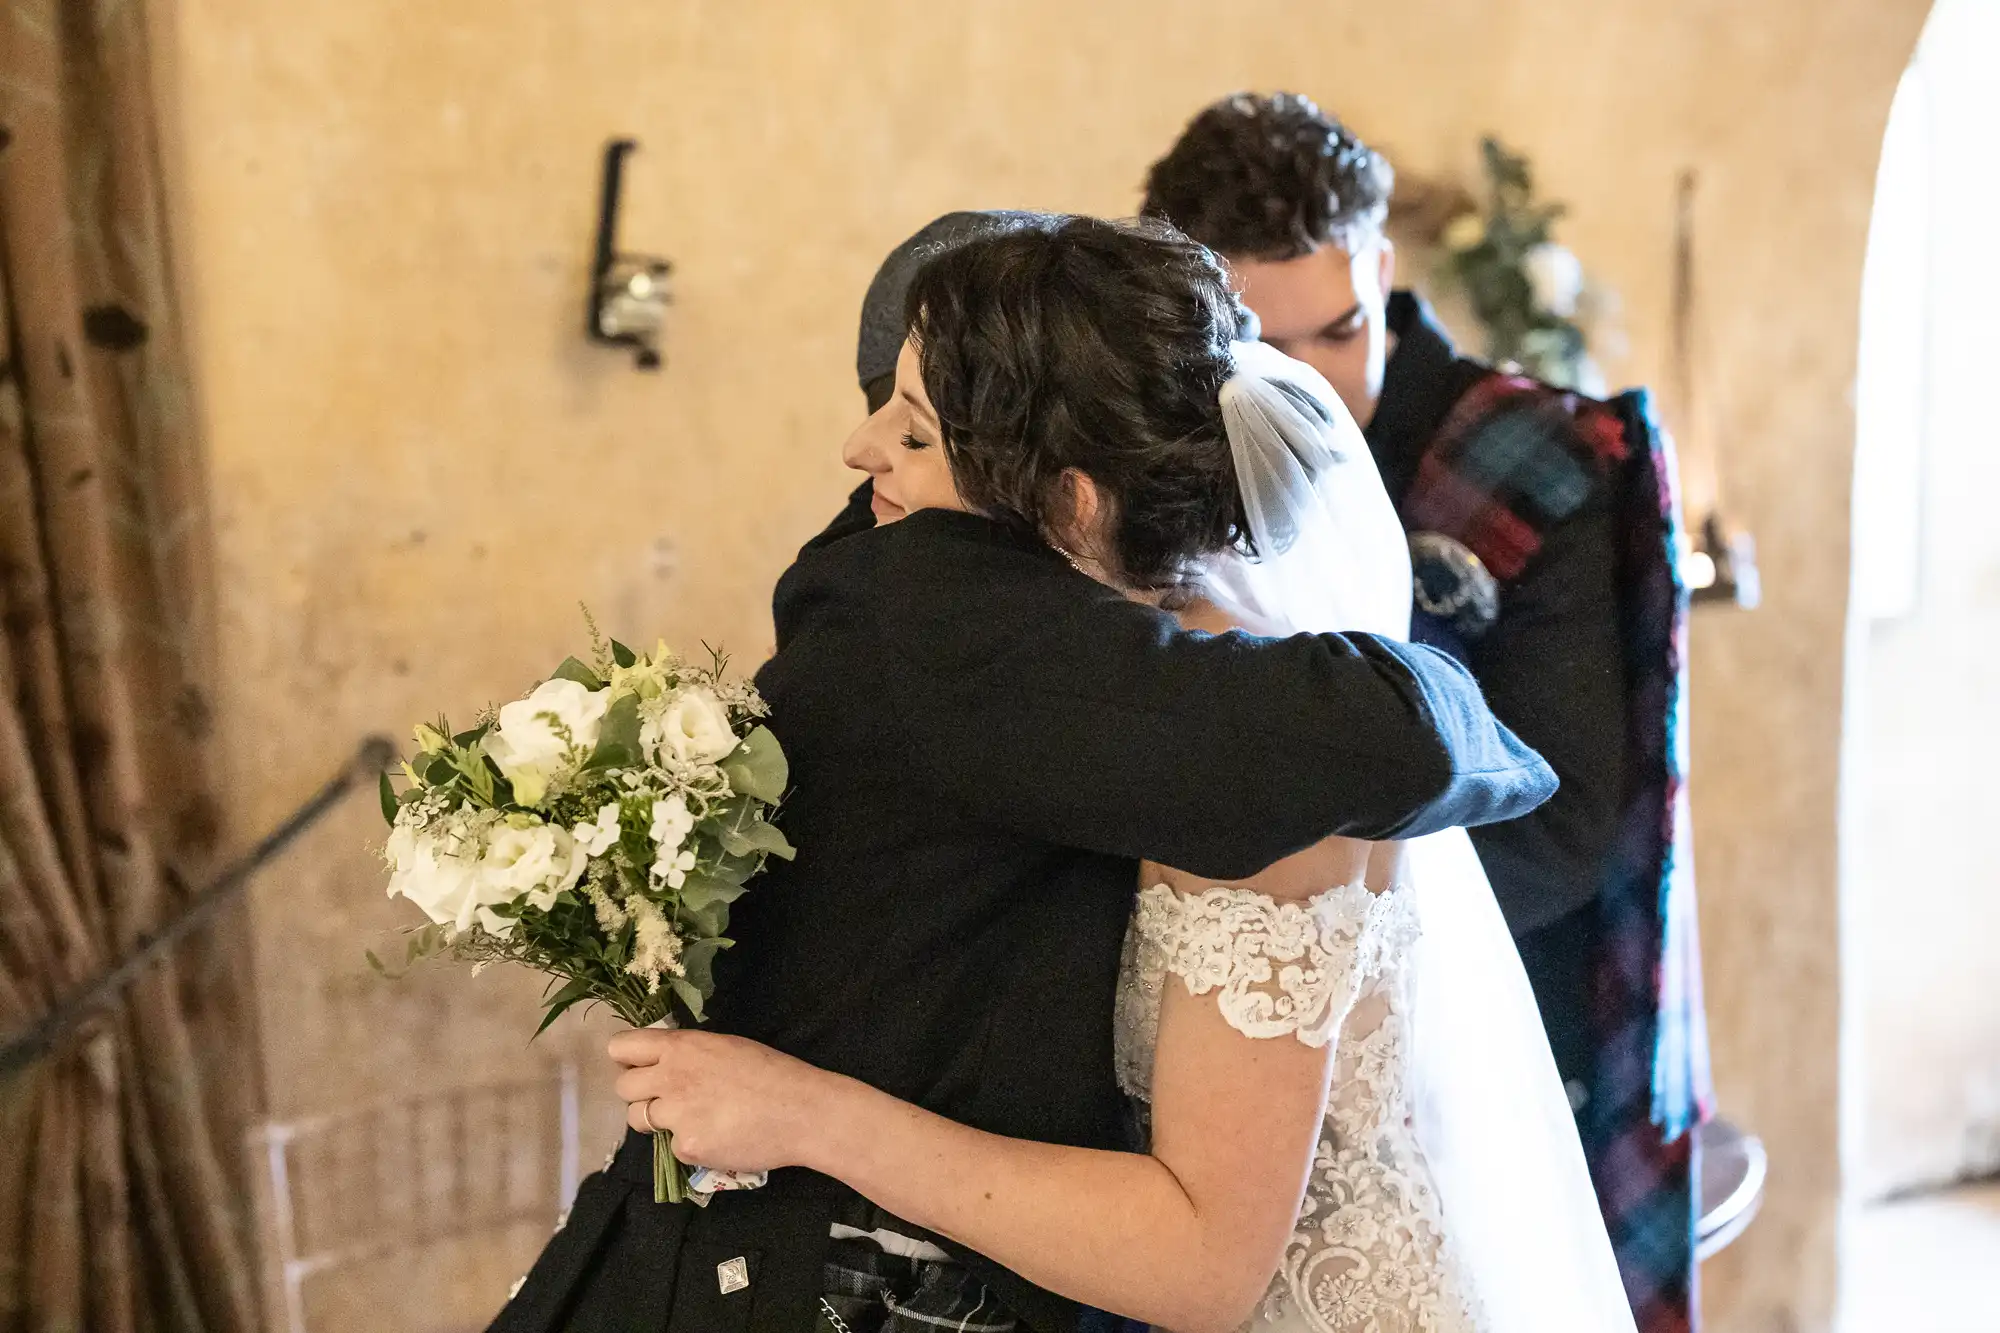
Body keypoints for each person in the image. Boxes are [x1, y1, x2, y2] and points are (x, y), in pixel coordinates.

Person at [487, 215, 1555, 1333]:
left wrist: (802, 1112)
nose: (858, 463)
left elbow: (1198, 1261)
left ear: (1072, 503)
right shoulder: (1077, 683)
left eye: (911, 434)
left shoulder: (1224, 751)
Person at [1140, 93, 1712, 1333]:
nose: (1314, 391)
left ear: (1382, 271)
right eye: (1261, 352)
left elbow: (1560, 829)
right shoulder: (1150, 472)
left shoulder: (1527, 457)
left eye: (1342, 330)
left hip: (1474, 1039)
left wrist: (1298, 946)